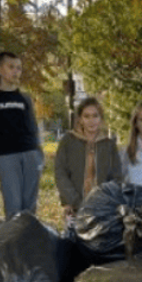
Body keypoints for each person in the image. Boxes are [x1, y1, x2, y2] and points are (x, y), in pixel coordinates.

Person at [0, 52, 43, 217]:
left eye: (19, 68)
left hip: (30, 154)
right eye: (11, 67)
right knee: (14, 208)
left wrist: (39, 155)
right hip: (5, 157)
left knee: (30, 208)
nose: (16, 71)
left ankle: (29, 242)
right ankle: (14, 242)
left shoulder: (25, 97)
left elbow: (33, 127)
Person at [54, 96, 120, 224]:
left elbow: (117, 177)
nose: (91, 121)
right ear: (80, 119)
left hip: (102, 209)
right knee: (74, 243)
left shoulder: (109, 144)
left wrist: (106, 202)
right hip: (74, 208)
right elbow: (60, 173)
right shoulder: (68, 140)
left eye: (95, 116)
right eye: (87, 116)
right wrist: (73, 201)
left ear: (101, 119)